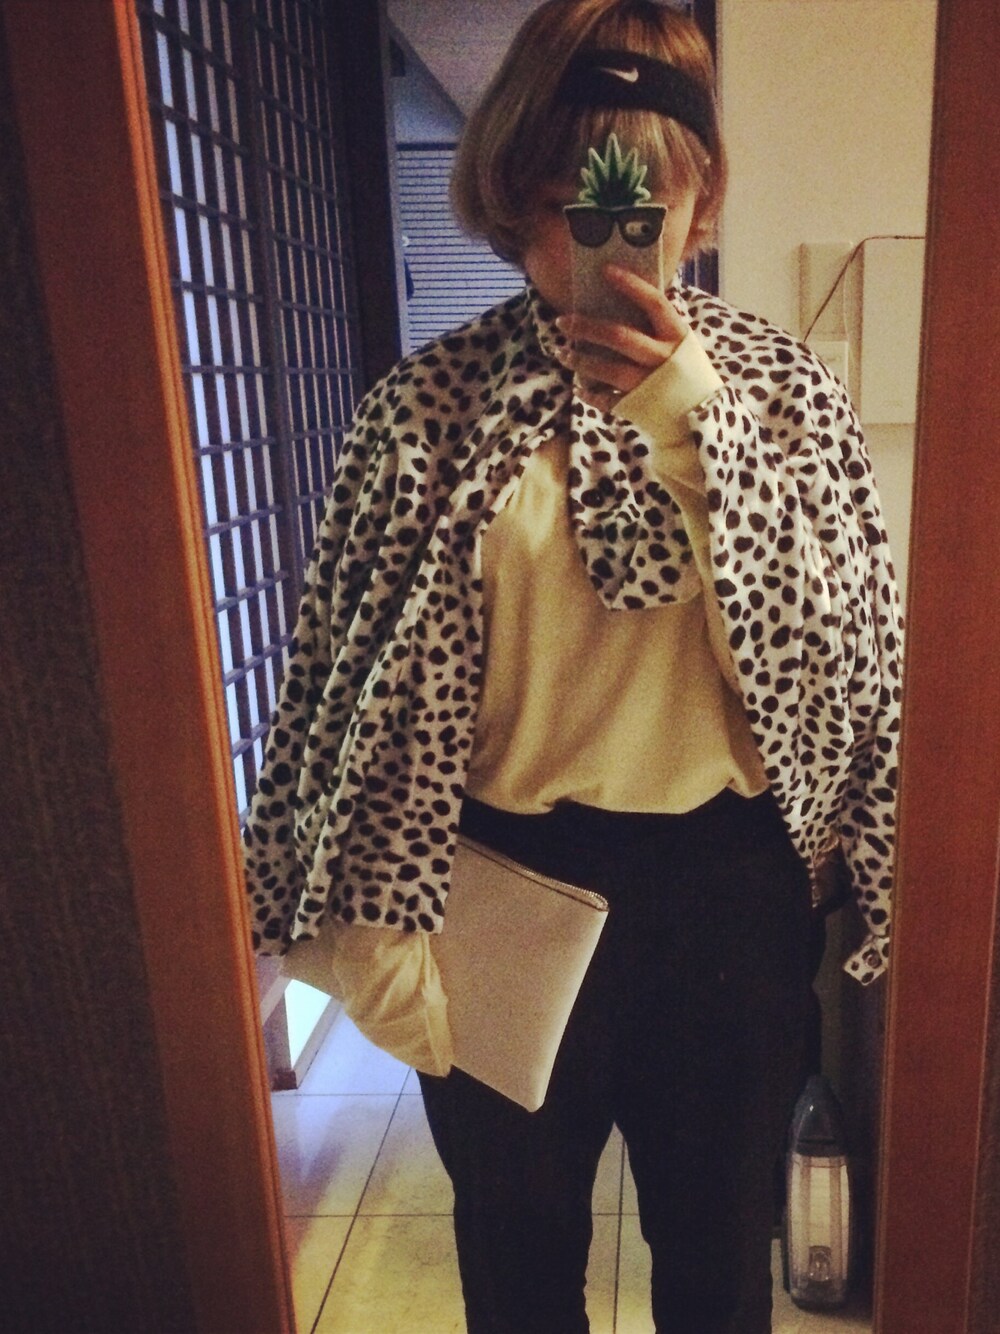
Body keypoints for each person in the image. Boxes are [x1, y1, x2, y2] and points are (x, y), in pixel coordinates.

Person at [243, 2, 902, 1329]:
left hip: (727, 896)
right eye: (567, 203)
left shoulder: (786, 401)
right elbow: (338, 699)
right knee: (517, 1272)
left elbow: (840, 682)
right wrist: (376, 943)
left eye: (640, 205)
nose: (602, 243)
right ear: (510, 191)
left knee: (719, 1275)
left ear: (699, 196)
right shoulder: (423, 411)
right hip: (499, 888)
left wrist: (693, 423)